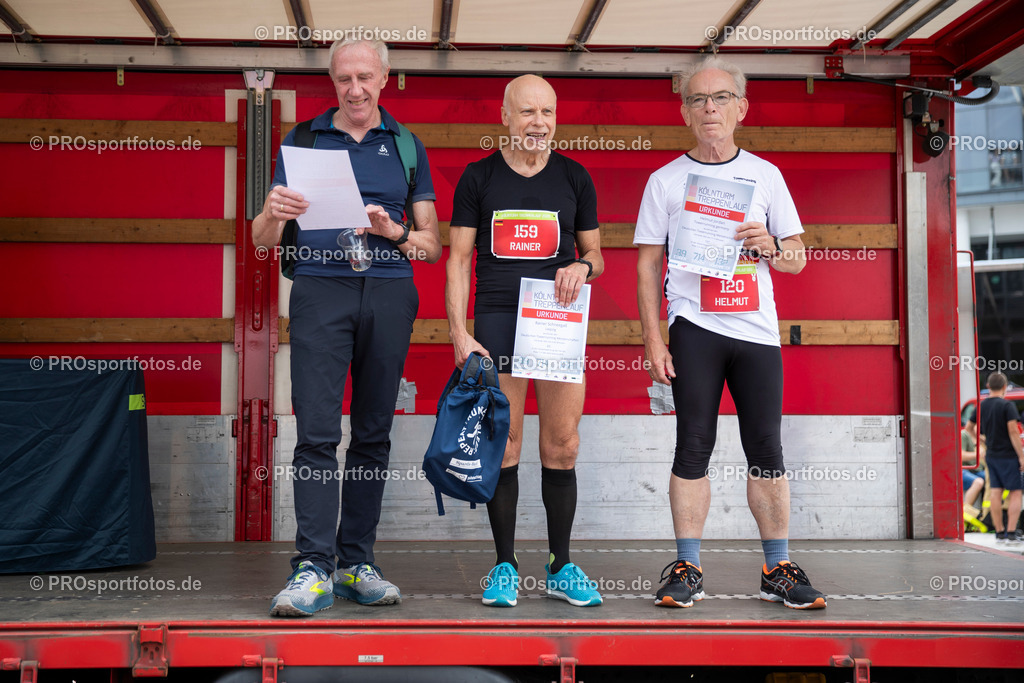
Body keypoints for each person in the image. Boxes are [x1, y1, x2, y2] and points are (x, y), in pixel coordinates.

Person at [253, 38, 442, 616]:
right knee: (315, 431)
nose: (354, 89)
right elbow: (261, 240)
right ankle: (312, 567)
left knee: (373, 433)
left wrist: (396, 234)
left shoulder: (407, 146)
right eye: (343, 79)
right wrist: (272, 213)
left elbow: (432, 246)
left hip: (388, 288)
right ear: (332, 81)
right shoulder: (302, 139)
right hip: (319, 288)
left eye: (365, 77)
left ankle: (356, 563)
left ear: (385, 78)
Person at [635, 57, 827, 610]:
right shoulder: (664, 180)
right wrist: (653, 338)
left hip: (756, 331)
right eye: (698, 99)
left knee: (766, 446)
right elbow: (647, 265)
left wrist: (767, 243)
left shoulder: (766, 175)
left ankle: (778, 567)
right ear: (684, 112)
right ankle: (688, 566)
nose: (710, 107)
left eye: (721, 98)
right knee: (692, 443)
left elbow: (796, 260)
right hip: (694, 327)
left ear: (742, 108)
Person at [446, 74, 605, 608]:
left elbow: (598, 256)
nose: (539, 123)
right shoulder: (478, 177)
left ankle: (560, 564)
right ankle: (505, 566)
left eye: (548, 112)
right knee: (506, 445)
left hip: (557, 324)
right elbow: (459, 260)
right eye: (528, 112)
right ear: (506, 116)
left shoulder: (575, 177)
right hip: (497, 324)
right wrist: (459, 333)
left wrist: (582, 266)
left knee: (563, 446)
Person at [973, 372, 1024, 543]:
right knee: (1016, 493)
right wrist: (1022, 456)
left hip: (992, 455)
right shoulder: (1007, 406)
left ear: (988, 386)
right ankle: (1011, 532)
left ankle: (999, 532)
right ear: (1004, 387)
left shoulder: (982, 405)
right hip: (1009, 455)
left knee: (995, 492)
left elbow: (969, 428)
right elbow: (1013, 431)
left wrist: (983, 440)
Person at [960, 425, 985, 511]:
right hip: (963, 469)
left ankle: (986, 513)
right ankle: (965, 513)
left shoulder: (982, 438)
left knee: (994, 479)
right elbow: (960, 455)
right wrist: (977, 455)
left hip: (977, 470)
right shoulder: (964, 434)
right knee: (978, 482)